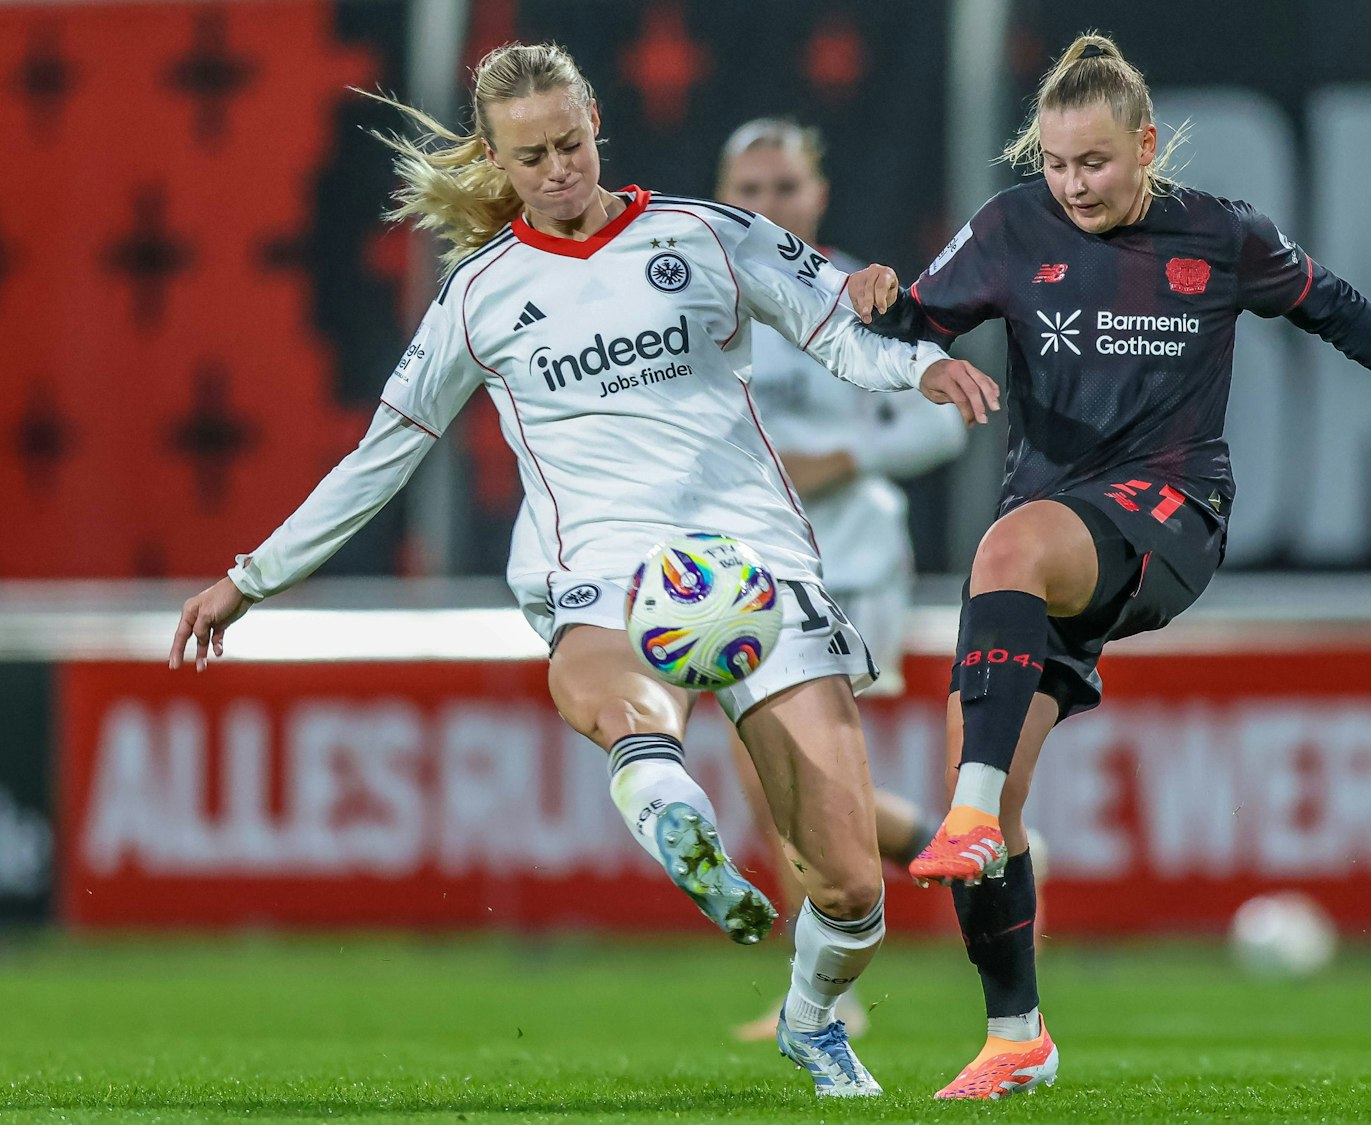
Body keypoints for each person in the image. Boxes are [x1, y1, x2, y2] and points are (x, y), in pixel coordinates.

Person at [164, 42, 998, 1099]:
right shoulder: (480, 295)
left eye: (568, 144)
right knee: (613, 689)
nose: (556, 169)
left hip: (762, 564)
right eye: (529, 157)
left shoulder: (705, 234)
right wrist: (251, 577)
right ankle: (666, 803)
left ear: (596, 120)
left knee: (844, 885)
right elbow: (383, 452)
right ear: (496, 159)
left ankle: (808, 1018)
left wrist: (922, 364)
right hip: (606, 562)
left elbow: (840, 329)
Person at [849, 32, 1371, 1100]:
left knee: (1003, 560)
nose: (1073, 185)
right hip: (1050, 552)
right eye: (1054, 165)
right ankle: (1014, 1035)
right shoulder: (1009, 228)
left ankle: (968, 815)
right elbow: (909, 321)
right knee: (984, 774)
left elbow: (1335, 307)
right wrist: (876, 297)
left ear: (1142, 147)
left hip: (1170, 515)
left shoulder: (1220, 235)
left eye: (1092, 162)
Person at [710, 117, 968, 1041]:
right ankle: (968, 854)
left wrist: (842, 454)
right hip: (744, 573)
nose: (765, 206)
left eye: (784, 188)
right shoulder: (696, 297)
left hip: (844, 564)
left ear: (816, 197)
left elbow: (944, 416)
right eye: (748, 190)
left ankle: (828, 995)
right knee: (775, 780)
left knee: (784, 770)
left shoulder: (852, 291)